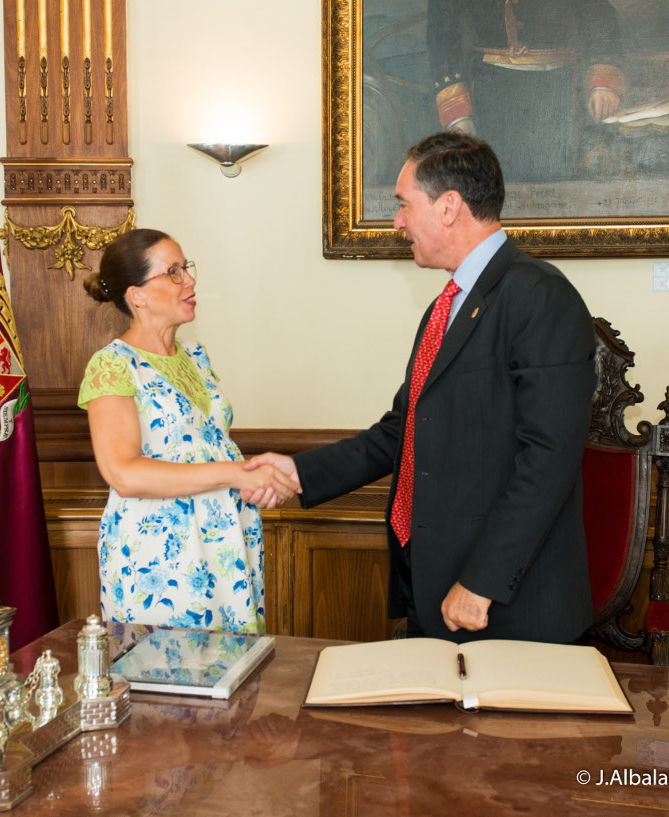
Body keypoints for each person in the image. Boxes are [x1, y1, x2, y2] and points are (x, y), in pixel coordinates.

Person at [249, 133, 596, 644]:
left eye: (404, 204)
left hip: (505, 604)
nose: (397, 221)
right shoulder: (446, 306)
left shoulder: (539, 296)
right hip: (433, 582)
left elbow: (548, 460)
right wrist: (300, 472)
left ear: (449, 206)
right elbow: (403, 430)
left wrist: (481, 582)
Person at [78, 229, 299, 633]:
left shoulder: (196, 356)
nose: (190, 281)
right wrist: (236, 473)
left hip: (225, 538)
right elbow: (123, 474)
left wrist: (252, 479)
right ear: (138, 295)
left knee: (232, 678)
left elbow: (207, 448)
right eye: (173, 272)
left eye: (186, 268)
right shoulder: (112, 365)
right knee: (168, 681)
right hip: (161, 554)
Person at [427, 0, 625, 181]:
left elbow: (598, 12)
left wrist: (603, 80)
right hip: (489, 91)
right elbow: (442, 28)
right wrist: (458, 114)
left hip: (560, 90)